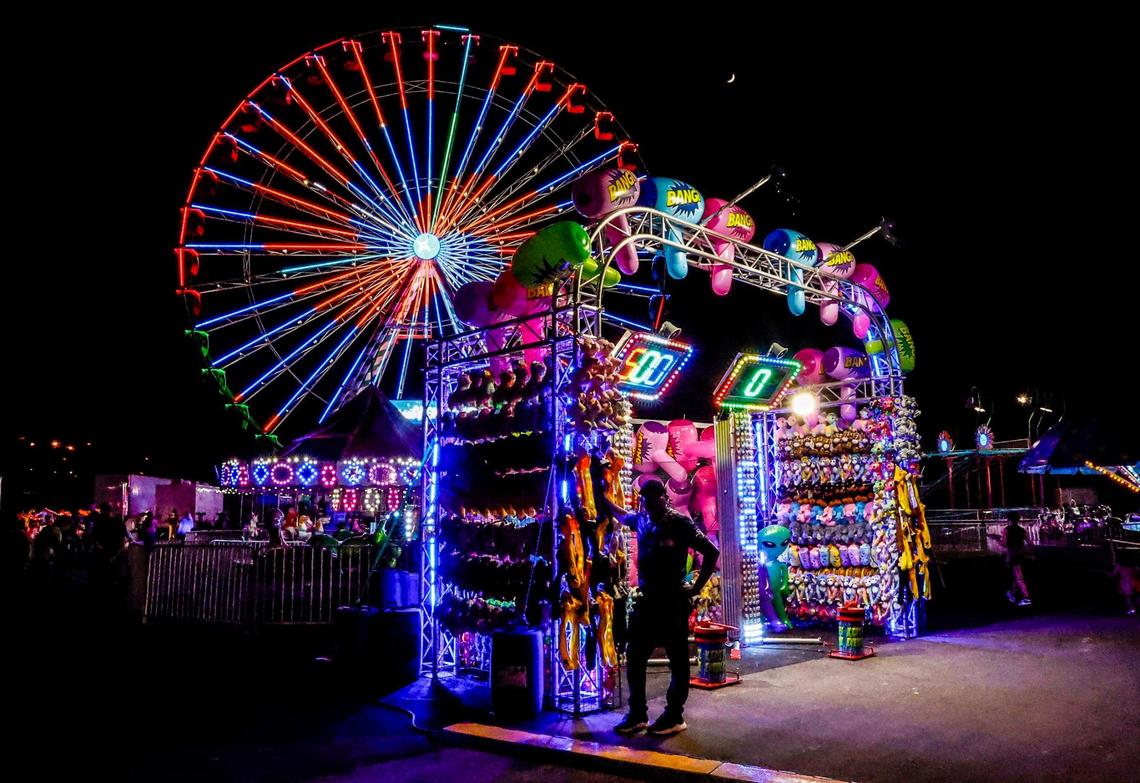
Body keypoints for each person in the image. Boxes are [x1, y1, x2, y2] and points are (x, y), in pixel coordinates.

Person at [613, 479, 719, 736]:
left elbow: (711, 552)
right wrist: (596, 490)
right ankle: (637, 713)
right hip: (648, 600)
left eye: (653, 497)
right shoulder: (642, 520)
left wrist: (695, 588)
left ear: (664, 497)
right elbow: (618, 513)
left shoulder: (679, 522)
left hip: (672, 600)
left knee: (677, 659)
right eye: (645, 499)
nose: (649, 503)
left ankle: (674, 715)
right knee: (636, 655)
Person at [992, 511, 1031, 606]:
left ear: (1009, 520)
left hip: (1012, 555)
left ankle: (1026, 597)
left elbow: (1005, 544)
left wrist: (996, 540)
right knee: (1016, 576)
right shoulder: (1022, 530)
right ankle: (1012, 594)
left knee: (1018, 577)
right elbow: (1029, 543)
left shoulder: (1007, 530)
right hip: (1020, 554)